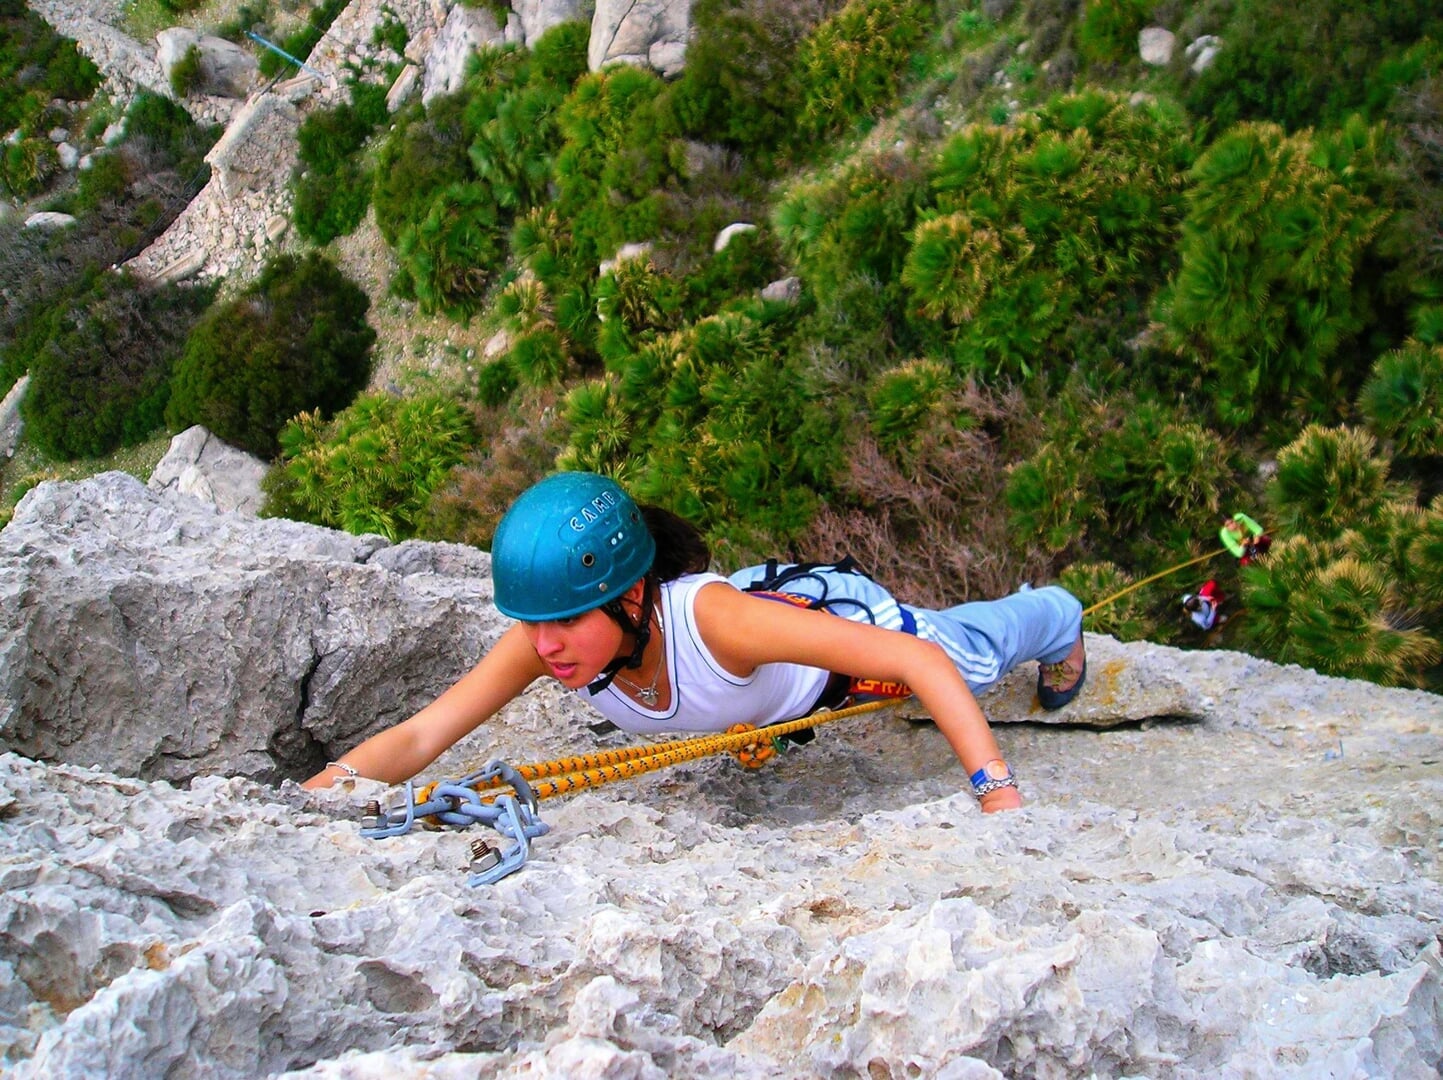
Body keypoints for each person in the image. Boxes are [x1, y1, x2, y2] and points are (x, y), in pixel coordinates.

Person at [304, 472, 1087, 813]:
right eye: (535, 622)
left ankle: (1056, 611)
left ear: (633, 595)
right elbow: (423, 732)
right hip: (767, 651)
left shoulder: (715, 622)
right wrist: (323, 792)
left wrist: (997, 793)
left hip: (849, 632)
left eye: (567, 621)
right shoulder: (550, 642)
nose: (546, 646)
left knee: (973, 657)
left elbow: (915, 662)